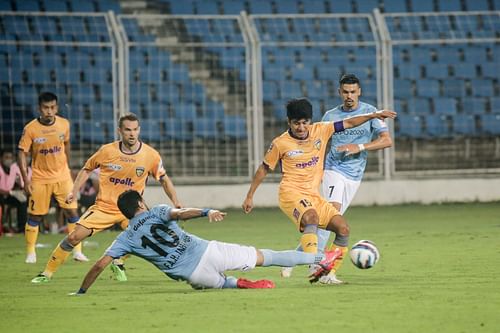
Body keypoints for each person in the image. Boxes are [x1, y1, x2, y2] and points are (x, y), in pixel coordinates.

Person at [68, 190, 341, 294]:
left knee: (214, 284)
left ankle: (235, 284)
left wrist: (81, 292)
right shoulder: (157, 211)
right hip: (209, 252)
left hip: (194, 276)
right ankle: (321, 259)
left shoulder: (124, 238)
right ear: (140, 203)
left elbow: (100, 265)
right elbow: (180, 213)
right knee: (267, 257)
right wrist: (206, 211)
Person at [242, 98, 396, 282]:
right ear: (288, 122)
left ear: (310, 121)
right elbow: (263, 168)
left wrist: (374, 115)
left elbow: (349, 122)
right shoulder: (280, 143)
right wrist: (250, 196)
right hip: (291, 193)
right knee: (311, 218)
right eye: (296, 123)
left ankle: (327, 274)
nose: (301, 127)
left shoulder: (321, 130)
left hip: (313, 195)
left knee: (343, 228)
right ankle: (316, 262)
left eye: (305, 122)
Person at [31, 113, 182, 284]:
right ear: (119, 131)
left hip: (132, 210)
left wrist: (176, 202)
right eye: (127, 130)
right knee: (74, 237)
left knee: (148, 238)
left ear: (139, 130)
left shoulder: (150, 155)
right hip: (104, 207)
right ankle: (46, 274)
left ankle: (119, 261)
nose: (131, 134)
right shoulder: (107, 151)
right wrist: (74, 190)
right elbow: (87, 168)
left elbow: (164, 179)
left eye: (135, 130)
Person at [281, 74, 394, 284]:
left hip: (354, 175)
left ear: (359, 91)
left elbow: (386, 141)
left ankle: (294, 258)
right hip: (333, 170)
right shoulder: (330, 115)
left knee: (331, 219)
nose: (349, 96)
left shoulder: (371, 112)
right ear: (339, 92)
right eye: (345, 92)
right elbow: (316, 141)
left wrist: (359, 147)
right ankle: (321, 268)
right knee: (331, 213)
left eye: (353, 91)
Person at [18, 92, 88, 263]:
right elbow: (21, 153)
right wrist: (26, 180)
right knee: (36, 216)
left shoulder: (64, 124)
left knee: (72, 211)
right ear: (39, 108)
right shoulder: (31, 129)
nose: (49, 111)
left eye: (52, 107)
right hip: (40, 178)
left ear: (56, 108)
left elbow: (67, 145)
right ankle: (31, 252)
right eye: (45, 108)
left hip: (62, 176)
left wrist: (69, 167)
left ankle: (77, 251)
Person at [0, 150, 28, 233]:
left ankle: (21, 228)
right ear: (1, 158)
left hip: (8, 195)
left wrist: (19, 186)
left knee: (22, 201)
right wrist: (10, 192)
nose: (9, 160)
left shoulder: (13, 169)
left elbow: (18, 184)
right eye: (6, 157)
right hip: (1, 195)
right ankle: (3, 226)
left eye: (11, 158)